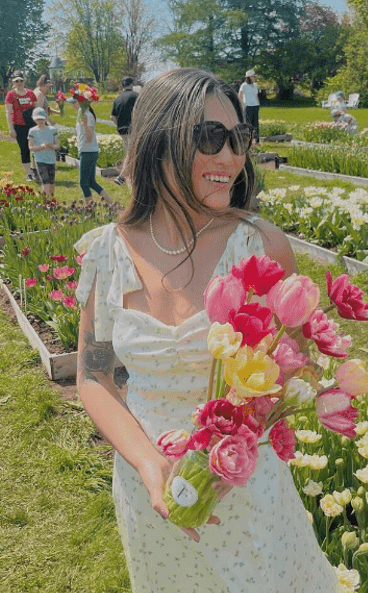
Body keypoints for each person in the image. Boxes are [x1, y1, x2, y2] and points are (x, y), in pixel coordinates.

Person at [72, 67, 340, 591]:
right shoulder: (106, 252)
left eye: (239, 138)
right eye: (210, 138)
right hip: (150, 486)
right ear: (159, 140)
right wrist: (151, 466)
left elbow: (295, 362)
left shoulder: (258, 246)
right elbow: (94, 375)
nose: (231, 157)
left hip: (245, 485)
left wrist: (240, 431)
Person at [74, 96, 114, 204]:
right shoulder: (81, 113)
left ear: (81, 103)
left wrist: (85, 125)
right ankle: (111, 204)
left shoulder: (88, 115)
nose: (73, 104)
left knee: (83, 183)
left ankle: (90, 208)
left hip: (88, 152)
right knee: (91, 182)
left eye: (74, 102)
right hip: (87, 151)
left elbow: (89, 136)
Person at [5, 74, 38, 180]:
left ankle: (36, 170)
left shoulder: (31, 93)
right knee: (24, 149)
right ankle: (29, 173)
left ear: (24, 81)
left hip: (32, 125)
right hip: (19, 125)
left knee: (36, 148)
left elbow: (36, 109)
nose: (19, 83)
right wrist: (11, 128)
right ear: (13, 83)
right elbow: (8, 112)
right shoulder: (11, 95)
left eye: (21, 81)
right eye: (16, 81)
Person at [111, 77, 139, 184]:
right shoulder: (136, 96)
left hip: (121, 130)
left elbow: (112, 117)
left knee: (130, 152)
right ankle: (122, 177)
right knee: (131, 153)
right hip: (133, 129)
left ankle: (131, 177)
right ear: (131, 84)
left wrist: (120, 125)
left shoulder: (118, 99)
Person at [27, 108, 59, 198]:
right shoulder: (32, 131)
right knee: (45, 181)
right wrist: (40, 147)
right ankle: (46, 202)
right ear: (34, 119)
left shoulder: (52, 130)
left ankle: (52, 199)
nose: (40, 121)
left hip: (51, 159)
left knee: (51, 182)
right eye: (38, 119)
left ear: (45, 118)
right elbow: (30, 147)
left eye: (41, 119)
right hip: (40, 159)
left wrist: (51, 146)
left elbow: (57, 145)